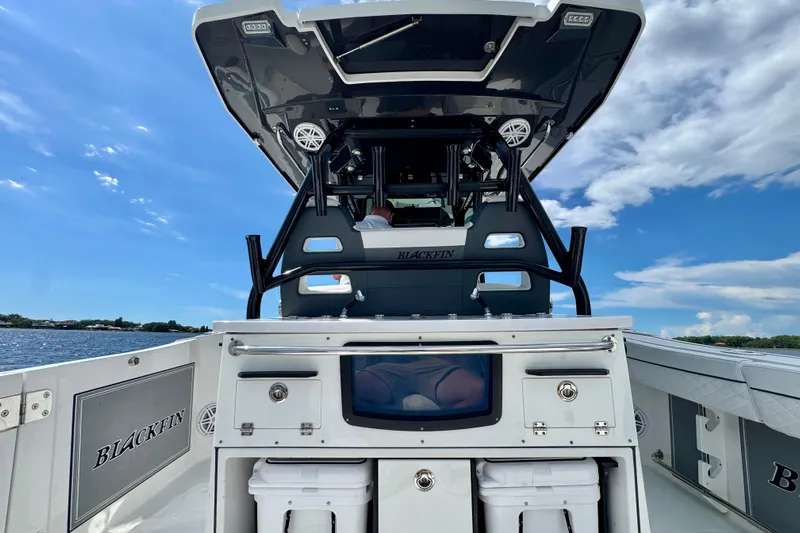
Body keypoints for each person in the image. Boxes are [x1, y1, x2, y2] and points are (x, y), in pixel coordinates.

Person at [354, 355, 487, 411]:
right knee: (349, 389)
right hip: (389, 366)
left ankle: (439, 427)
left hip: (440, 365)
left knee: (481, 390)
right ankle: (396, 416)